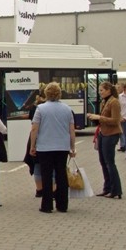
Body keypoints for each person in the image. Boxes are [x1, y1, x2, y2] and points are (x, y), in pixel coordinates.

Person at [30, 82, 76, 213]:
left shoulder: (40, 109)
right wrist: (72, 147)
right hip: (62, 147)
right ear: (59, 94)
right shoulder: (67, 109)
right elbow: (71, 130)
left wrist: (32, 145)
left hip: (45, 147)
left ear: (46, 94)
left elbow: (34, 129)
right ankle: (62, 205)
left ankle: (47, 205)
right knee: (61, 174)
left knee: (47, 175)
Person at [88, 82, 123, 199]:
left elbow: (115, 120)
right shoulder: (104, 101)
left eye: (102, 90)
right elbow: (103, 119)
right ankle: (107, 188)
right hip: (103, 133)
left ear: (108, 90)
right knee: (103, 162)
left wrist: (99, 117)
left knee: (109, 162)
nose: (100, 92)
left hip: (111, 134)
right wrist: (95, 118)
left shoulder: (114, 102)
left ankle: (116, 189)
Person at [23, 89, 53, 197]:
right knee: (52, 166)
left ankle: (39, 190)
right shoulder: (55, 108)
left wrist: (32, 145)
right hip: (48, 139)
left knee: (37, 164)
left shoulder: (35, 108)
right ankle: (52, 190)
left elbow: (34, 127)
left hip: (35, 138)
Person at [116, 83, 126, 152]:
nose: (117, 89)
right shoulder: (118, 97)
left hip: (124, 117)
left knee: (122, 132)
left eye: (119, 87)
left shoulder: (121, 97)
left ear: (123, 88)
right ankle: (123, 145)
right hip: (121, 117)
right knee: (121, 132)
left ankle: (124, 145)